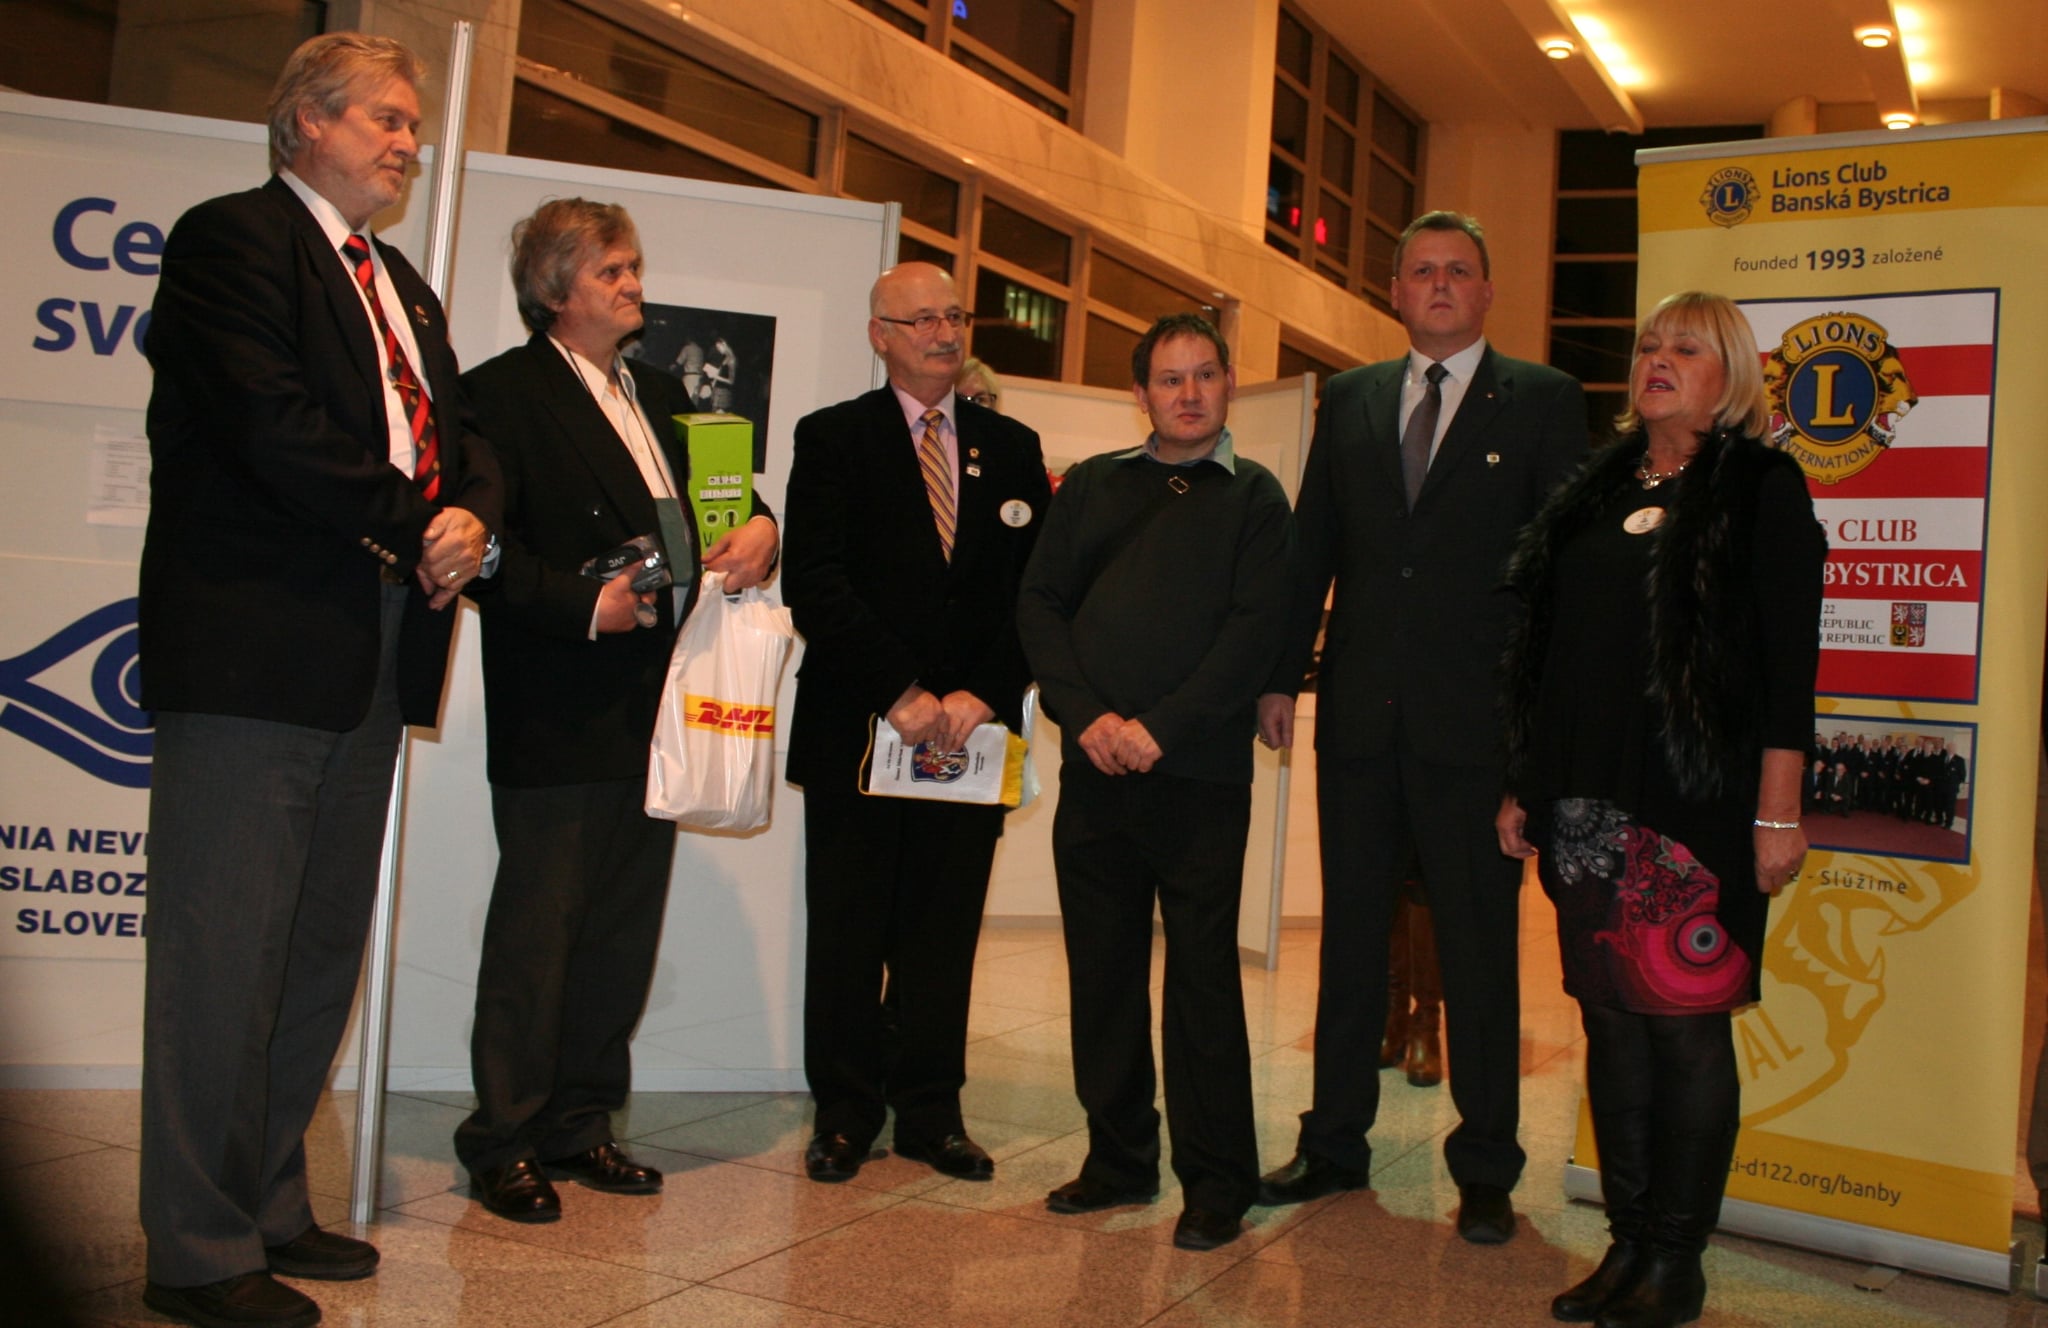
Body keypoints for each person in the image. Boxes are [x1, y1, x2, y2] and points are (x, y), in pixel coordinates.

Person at [136, 32, 501, 1328]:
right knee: (222, 957)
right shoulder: (232, 242)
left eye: (411, 123)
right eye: (385, 119)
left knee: (312, 953)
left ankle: (268, 1202)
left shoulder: (401, 284)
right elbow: (267, 425)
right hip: (256, 653)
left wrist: (470, 523)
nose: (409, 142)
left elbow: (462, 434)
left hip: (377, 651)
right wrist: (417, 524)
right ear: (305, 122)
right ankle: (195, 1249)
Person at [1255, 211, 1587, 1244]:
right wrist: (1280, 677)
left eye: (1458, 270)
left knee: (1478, 952)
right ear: (1394, 292)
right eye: (1421, 271)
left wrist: (1534, 737)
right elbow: (1311, 546)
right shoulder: (1351, 397)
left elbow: (1559, 579)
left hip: (1475, 732)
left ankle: (1485, 1166)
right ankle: (1332, 1144)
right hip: (1360, 721)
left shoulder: (1542, 400)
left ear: (1485, 293)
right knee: (1351, 944)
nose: (1439, 284)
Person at [1497, 290, 1825, 1328]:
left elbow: (1789, 665)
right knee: (1608, 1021)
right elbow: (1545, 655)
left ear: (1729, 375)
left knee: (1682, 1028)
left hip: (1699, 805)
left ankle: (1676, 1259)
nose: (1657, 359)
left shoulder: (1760, 488)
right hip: (1585, 803)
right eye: (1647, 344)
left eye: (1685, 347)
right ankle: (1628, 1242)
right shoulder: (1595, 491)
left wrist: (1778, 813)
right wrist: (1524, 782)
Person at [453, 200, 779, 1222]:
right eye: (610, 270)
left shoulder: (664, 392)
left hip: (661, 703)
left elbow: (730, 503)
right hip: (560, 701)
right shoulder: (499, 395)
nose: (633, 284)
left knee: (620, 933)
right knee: (538, 936)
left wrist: (763, 527)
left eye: (633, 266)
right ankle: (503, 1136)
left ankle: (581, 1122)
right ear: (554, 289)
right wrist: (580, 606)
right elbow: (480, 554)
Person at [1016, 314, 1294, 1252]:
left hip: (1200, 775)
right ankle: (1118, 1161)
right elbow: (1039, 605)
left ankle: (1217, 1182)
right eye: (1169, 379)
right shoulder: (1095, 485)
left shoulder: (1256, 498)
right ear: (1140, 395)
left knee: (1204, 983)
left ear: (1228, 384)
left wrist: (1160, 728)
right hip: (1096, 769)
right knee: (1102, 975)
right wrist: (1087, 717)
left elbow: (1254, 631)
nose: (1188, 394)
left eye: (1204, 375)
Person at [781, 261, 1050, 1184]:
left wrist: (982, 692)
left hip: (969, 740)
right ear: (879, 335)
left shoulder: (1010, 446)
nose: (944, 333)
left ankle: (932, 1113)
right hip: (863, 729)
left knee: (943, 935)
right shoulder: (833, 437)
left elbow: (1034, 592)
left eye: (954, 316)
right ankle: (845, 1115)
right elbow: (814, 580)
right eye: (922, 319)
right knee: (848, 934)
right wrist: (899, 690)